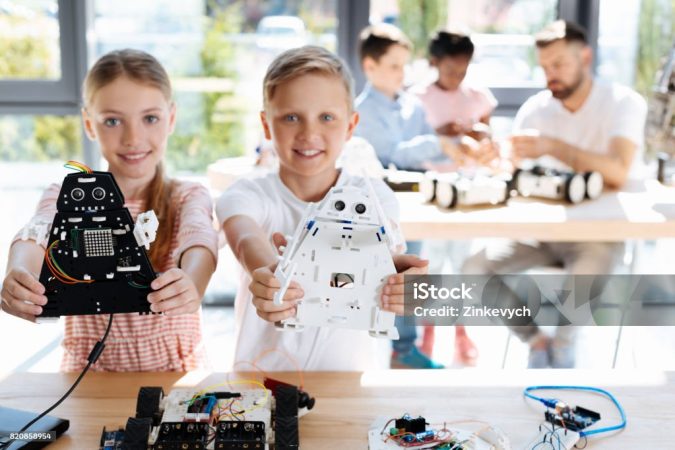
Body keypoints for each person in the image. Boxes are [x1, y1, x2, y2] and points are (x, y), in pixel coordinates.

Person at [0, 49, 219, 371]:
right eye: (113, 121)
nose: (133, 138)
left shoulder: (186, 196)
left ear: (171, 118)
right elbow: (38, 231)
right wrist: (18, 271)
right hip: (87, 374)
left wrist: (193, 282)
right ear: (90, 123)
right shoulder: (65, 195)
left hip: (177, 371)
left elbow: (199, 238)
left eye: (150, 118)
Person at [217, 45, 428, 371]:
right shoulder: (245, 194)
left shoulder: (376, 197)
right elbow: (246, 240)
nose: (309, 133)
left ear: (351, 125)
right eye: (291, 117)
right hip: (258, 389)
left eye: (326, 117)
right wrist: (271, 274)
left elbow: (390, 254)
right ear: (267, 125)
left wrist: (403, 278)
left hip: (348, 382)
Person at [462, 21, 647, 368]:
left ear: (586, 57)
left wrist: (554, 147)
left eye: (559, 64)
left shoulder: (623, 102)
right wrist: (490, 160)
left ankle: (562, 348)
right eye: (545, 66)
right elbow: (513, 174)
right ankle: (535, 341)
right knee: (473, 267)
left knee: (588, 271)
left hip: (599, 235)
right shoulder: (535, 109)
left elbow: (619, 170)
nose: (551, 75)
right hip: (542, 234)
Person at [355, 23, 457, 369]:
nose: (402, 73)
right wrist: (437, 144)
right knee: (393, 276)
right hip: (384, 211)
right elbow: (391, 154)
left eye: (404, 65)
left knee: (413, 272)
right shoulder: (361, 113)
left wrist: (457, 146)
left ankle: (405, 349)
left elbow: (431, 149)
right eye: (394, 66)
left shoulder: (412, 107)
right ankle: (399, 350)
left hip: (417, 204)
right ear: (370, 66)